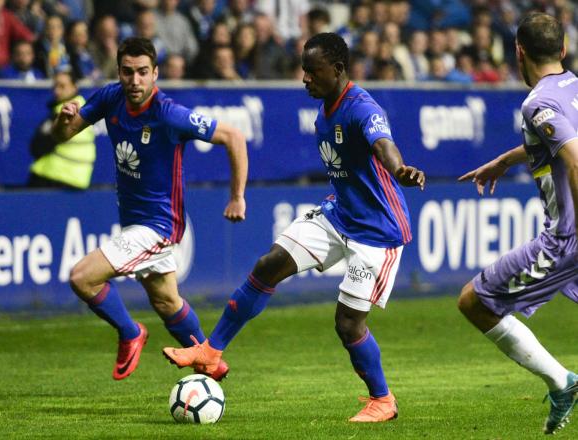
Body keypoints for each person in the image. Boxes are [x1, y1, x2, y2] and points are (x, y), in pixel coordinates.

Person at [164, 32, 425, 423]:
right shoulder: (325, 109)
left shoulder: (361, 108)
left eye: (312, 71)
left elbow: (383, 144)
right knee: (269, 264)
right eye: (303, 70)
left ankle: (383, 400)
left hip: (378, 230)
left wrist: (399, 169)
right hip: (340, 214)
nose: (304, 78)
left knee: (348, 323)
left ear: (337, 70)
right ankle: (211, 350)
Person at [51, 37, 248, 381]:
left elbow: (233, 137)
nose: (135, 80)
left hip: (158, 226)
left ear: (155, 73)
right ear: (119, 72)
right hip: (133, 223)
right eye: (128, 72)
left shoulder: (169, 114)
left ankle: (130, 332)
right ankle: (209, 360)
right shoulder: (111, 97)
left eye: (143, 72)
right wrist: (62, 119)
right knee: (166, 301)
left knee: (82, 277)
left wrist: (237, 197)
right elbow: (63, 134)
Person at [457, 12, 578, 435]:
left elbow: (575, 160)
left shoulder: (537, 102)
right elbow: (560, 140)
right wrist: (506, 160)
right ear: (563, 49)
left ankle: (562, 382)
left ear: (519, 52)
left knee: (474, 301)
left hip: (566, 241)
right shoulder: (574, 88)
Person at [29, 71, 95, 189]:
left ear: (74, 87)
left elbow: (38, 147)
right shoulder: (85, 107)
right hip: (80, 180)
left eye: (62, 86)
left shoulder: (64, 112)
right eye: (55, 86)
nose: (57, 91)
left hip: (56, 177)